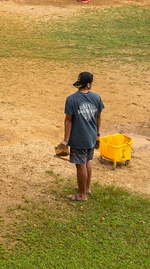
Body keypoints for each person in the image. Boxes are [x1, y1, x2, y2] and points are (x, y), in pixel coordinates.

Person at [57, 71, 104, 202]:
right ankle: (86, 188)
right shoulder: (97, 98)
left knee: (80, 165)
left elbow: (68, 120)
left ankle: (82, 195)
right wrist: (97, 133)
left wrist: (66, 140)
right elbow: (99, 116)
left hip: (78, 139)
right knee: (88, 161)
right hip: (91, 137)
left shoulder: (71, 99)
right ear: (88, 85)